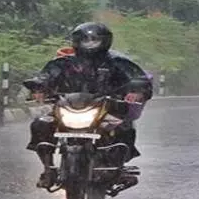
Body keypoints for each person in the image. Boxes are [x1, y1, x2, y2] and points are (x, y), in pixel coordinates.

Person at [23, 22, 154, 188]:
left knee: (124, 127)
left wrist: (137, 90)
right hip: (68, 107)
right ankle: (48, 169)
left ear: (105, 41)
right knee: (40, 124)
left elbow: (138, 78)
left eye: (94, 40)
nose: (90, 44)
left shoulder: (118, 63)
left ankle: (118, 168)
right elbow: (46, 76)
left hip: (107, 108)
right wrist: (38, 87)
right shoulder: (63, 63)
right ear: (76, 41)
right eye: (85, 40)